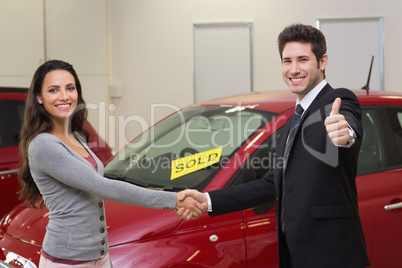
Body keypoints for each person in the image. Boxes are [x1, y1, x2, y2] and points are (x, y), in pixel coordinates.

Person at [176, 23, 371, 268]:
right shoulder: (292, 120)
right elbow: (273, 183)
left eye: (302, 59)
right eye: (287, 61)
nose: (294, 69)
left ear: (323, 62)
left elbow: (348, 126)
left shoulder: (338, 100)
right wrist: (207, 200)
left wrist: (344, 134)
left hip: (333, 256)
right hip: (295, 255)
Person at [18, 59, 207, 267]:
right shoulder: (44, 145)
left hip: (99, 256)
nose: (64, 96)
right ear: (39, 97)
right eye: (53, 90)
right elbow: (102, 186)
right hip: (68, 260)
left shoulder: (75, 136)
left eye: (70, 88)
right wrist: (174, 200)